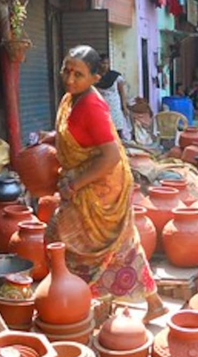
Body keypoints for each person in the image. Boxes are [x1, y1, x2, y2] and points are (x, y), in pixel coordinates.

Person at [44, 45, 167, 323]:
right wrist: (50, 137)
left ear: (95, 78)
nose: (70, 78)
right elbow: (75, 134)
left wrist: (75, 183)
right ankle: (150, 302)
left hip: (102, 187)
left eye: (78, 74)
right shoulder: (71, 99)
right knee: (120, 245)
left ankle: (76, 306)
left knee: (62, 240)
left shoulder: (91, 105)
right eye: (67, 70)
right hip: (87, 181)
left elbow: (110, 155)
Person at [96, 54, 129, 140]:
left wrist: (124, 106)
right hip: (100, 108)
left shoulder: (115, 77)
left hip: (114, 108)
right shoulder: (94, 77)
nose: (105, 66)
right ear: (98, 64)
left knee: (117, 131)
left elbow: (122, 92)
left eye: (107, 63)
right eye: (103, 63)